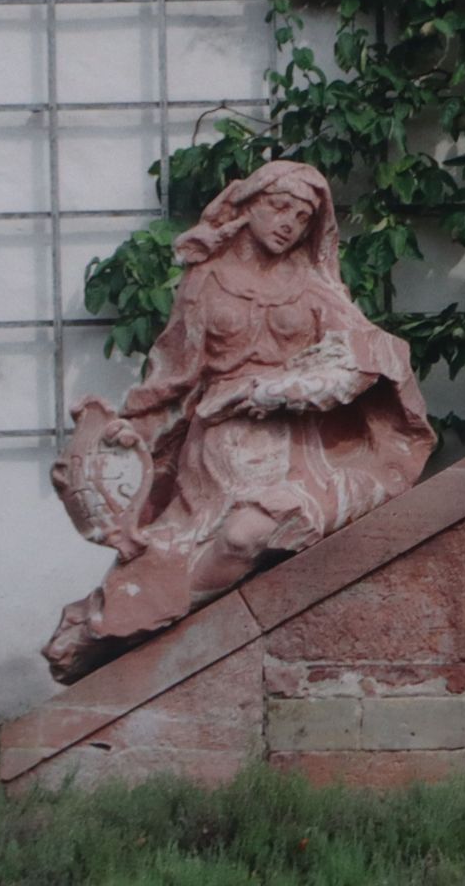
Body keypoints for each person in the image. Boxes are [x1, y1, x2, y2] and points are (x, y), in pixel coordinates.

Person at [44, 161, 434, 682]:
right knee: (188, 546)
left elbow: (369, 356)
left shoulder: (315, 287)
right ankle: (109, 634)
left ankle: (136, 635)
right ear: (247, 205)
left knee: (247, 535)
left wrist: (283, 389)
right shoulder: (204, 284)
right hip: (219, 451)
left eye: (301, 215)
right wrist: (131, 432)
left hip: (298, 446)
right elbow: (172, 376)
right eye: (278, 207)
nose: (288, 223)